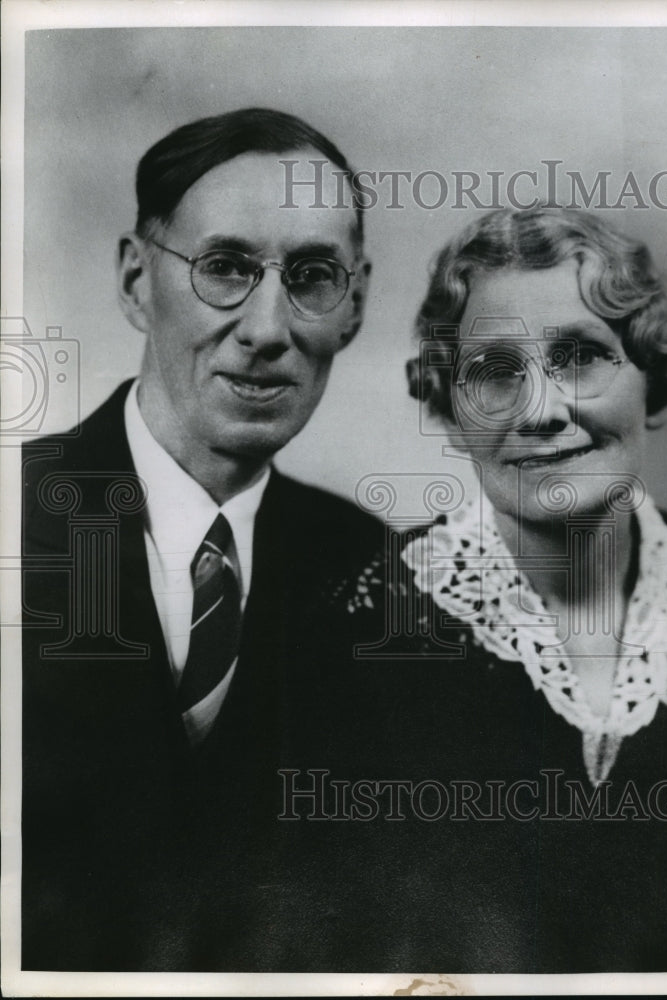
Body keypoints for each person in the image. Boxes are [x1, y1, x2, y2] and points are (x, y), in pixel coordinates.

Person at [339, 207, 667, 972]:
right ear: (447, 407)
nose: (540, 411)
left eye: (578, 357)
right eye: (495, 373)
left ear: (656, 379)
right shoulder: (360, 623)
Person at [20, 108, 384, 970]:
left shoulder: (380, 574)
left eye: (311, 276)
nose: (267, 330)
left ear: (355, 306)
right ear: (136, 281)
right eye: (224, 268)